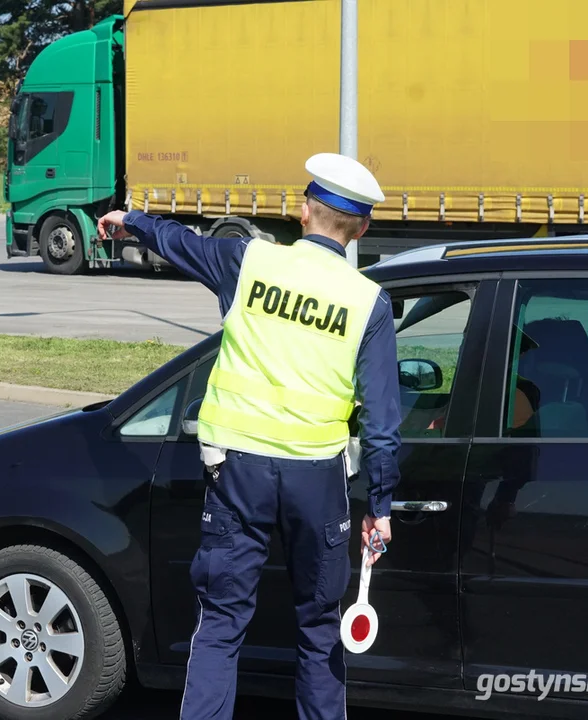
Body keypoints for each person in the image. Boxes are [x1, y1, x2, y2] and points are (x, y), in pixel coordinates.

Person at [97, 152, 401, 720]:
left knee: (220, 623)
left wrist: (128, 220)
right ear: (362, 229)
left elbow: (176, 240)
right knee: (318, 625)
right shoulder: (369, 304)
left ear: (303, 211)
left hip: (237, 473)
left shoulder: (248, 261)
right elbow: (383, 423)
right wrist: (379, 506)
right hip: (316, 482)